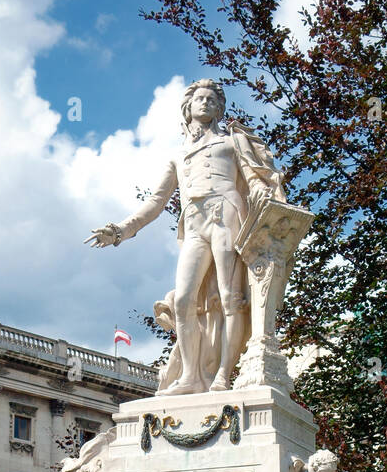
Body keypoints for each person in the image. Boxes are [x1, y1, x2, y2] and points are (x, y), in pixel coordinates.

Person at [87, 79, 287, 395]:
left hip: (227, 215)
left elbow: (255, 179)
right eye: (200, 99)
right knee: (183, 301)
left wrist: (265, 197)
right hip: (195, 223)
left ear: (220, 108)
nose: (206, 103)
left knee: (229, 298)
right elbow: (156, 201)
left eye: (212, 99)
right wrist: (122, 231)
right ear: (189, 107)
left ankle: (222, 375)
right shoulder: (178, 155)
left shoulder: (233, 142)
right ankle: (191, 376)